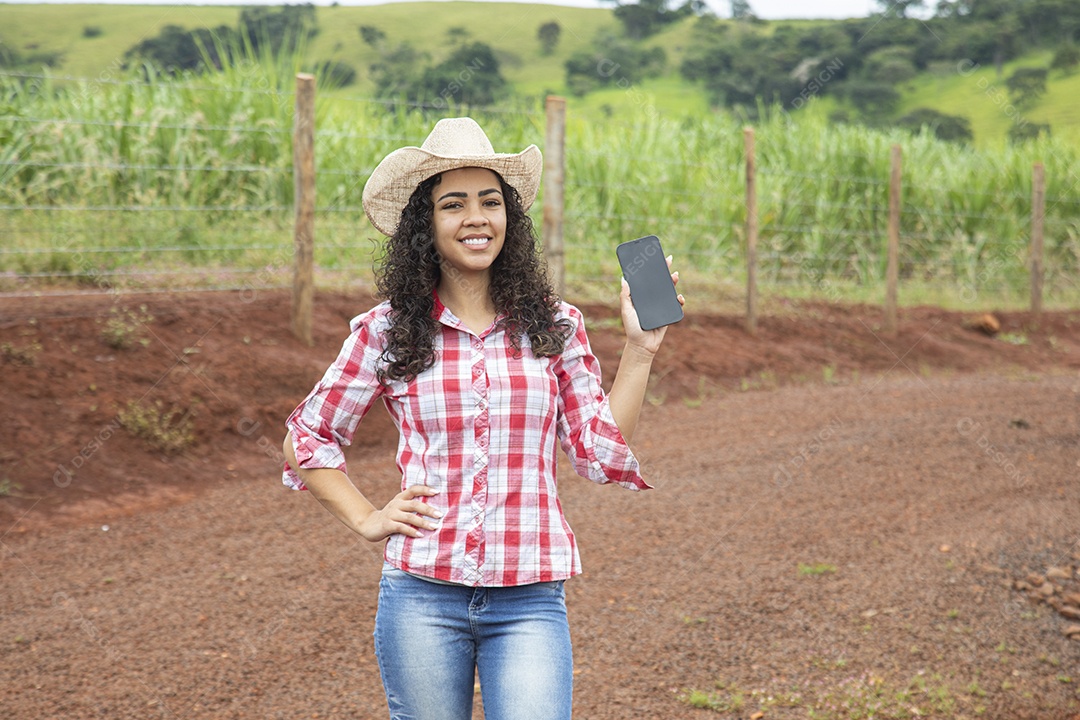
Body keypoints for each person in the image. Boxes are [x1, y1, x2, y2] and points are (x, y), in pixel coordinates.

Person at [281, 117, 684, 720]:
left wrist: (640, 350)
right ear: (426, 224)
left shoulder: (556, 325)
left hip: (528, 599)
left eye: (490, 201)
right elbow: (307, 437)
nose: (476, 217)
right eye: (454, 204)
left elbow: (598, 451)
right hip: (420, 595)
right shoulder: (386, 330)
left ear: (509, 218)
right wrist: (367, 517)